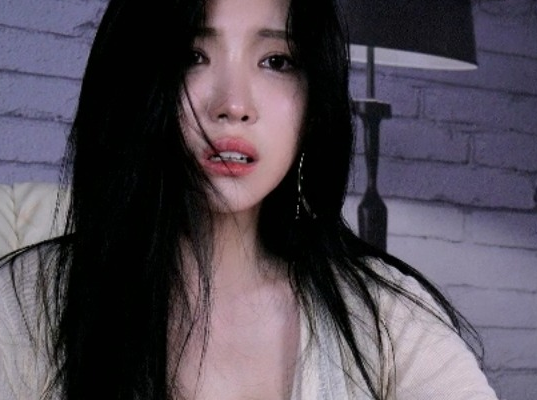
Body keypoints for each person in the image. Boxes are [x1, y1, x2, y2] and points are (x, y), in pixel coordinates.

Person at [0, 0, 499, 399]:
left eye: (276, 61)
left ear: (314, 100)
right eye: (192, 56)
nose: (234, 105)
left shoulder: (387, 317)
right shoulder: (25, 303)